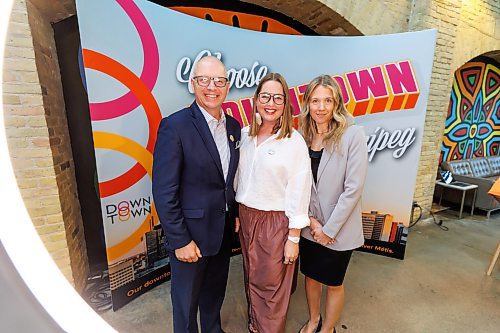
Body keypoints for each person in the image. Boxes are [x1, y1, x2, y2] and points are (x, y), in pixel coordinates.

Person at [152, 56, 241, 333]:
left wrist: (234, 215)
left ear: (227, 87)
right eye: (204, 80)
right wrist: (180, 240)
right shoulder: (174, 126)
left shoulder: (234, 127)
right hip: (190, 239)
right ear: (193, 84)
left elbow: (229, 180)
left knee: (214, 296)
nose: (211, 87)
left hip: (222, 233)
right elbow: (164, 190)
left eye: (219, 81)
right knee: (186, 306)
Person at [235, 73, 312, 333]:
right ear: (256, 100)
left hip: (275, 221)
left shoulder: (293, 141)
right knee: (252, 276)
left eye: (277, 97)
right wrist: (238, 211)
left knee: (271, 287)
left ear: (285, 104)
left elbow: (300, 189)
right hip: (246, 216)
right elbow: (240, 178)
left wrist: (293, 238)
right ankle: (255, 324)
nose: (271, 102)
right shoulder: (245, 135)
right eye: (265, 96)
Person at [298, 75, 368, 333]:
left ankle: (327, 329)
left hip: (338, 230)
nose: (321, 107)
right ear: (307, 104)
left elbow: (353, 189)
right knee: (311, 277)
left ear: (337, 102)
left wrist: (328, 230)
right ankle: (313, 320)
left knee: (334, 282)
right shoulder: (302, 136)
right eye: (315, 100)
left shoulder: (352, 135)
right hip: (309, 226)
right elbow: (298, 184)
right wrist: (311, 221)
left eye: (327, 100)